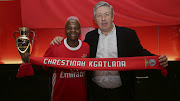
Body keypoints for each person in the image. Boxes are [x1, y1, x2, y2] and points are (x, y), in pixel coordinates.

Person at [50, 1, 168, 101]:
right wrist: (61, 40)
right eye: (99, 15)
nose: (103, 18)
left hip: (122, 93)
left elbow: (141, 53)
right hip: (96, 92)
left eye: (106, 14)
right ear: (95, 19)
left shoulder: (128, 34)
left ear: (112, 17)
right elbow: (76, 52)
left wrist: (157, 59)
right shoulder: (90, 37)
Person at [19, 16, 90, 101]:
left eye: (76, 28)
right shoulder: (55, 46)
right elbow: (42, 67)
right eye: (69, 28)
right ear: (65, 30)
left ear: (80, 30)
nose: (73, 31)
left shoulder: (86, 47)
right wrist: (29, 60)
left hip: (81, 97)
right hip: (59, 97)